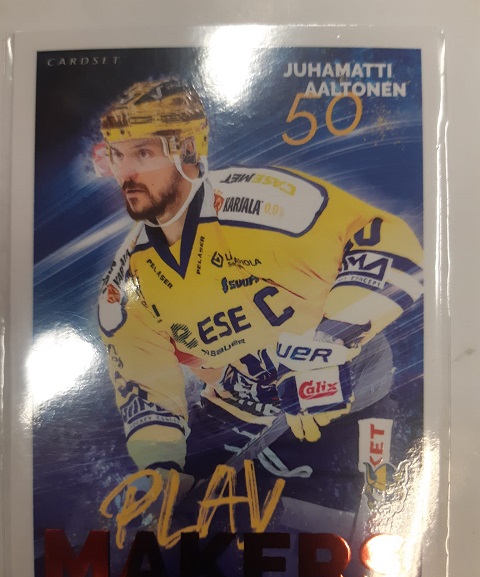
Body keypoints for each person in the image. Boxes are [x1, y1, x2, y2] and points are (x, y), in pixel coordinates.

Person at [97, 79, 423, 517]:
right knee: (173, 521)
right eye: (118, 156)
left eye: (142, 153)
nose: (127, 173)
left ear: (187, 150)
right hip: (238, 405)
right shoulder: (125, 285)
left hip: (341, 387)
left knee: (340, 529)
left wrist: (330, 341)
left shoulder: (263, 205)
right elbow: (146, 387)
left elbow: (389, 244)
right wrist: (161, 467)